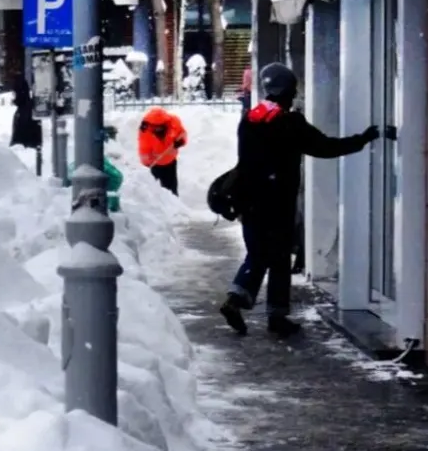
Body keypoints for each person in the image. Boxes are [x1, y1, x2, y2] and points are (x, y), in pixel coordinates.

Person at [219, 62, 380, 337]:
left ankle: (236, 299)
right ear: (287, 92)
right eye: (293, 92)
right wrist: (362, 139)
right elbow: (325, 147)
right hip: (277, 202)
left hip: (249, 200)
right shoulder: (290, 123)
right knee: (279, 257)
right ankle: (277, 316)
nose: (294, 97)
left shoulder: (249, 119)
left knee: (258, 254)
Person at [137, 105, 187, 196]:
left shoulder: (173, 123)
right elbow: (144, 149)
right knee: (158, 190)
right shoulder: (145, 131)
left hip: (171, 161)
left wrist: (180, 142)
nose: (159, 128)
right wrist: (147, 163)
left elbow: (182, 133)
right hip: (155, 164)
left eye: (161, 125)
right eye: (156, 126)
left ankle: (175, 204)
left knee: (172, 187)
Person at [9, 74, 42, 152]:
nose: (13, 97)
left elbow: (20, 138)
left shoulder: (25, 111)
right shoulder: (25, 108)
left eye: (14, 93)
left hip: (26, 154)